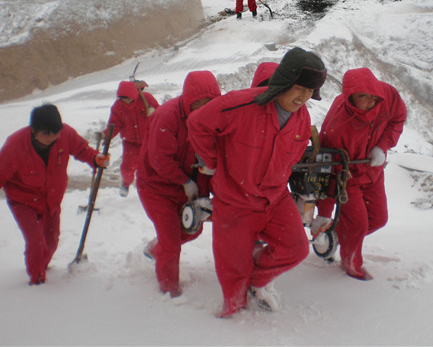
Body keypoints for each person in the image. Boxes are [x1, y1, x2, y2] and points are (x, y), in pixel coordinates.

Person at [187, 47, 327, 317]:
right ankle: (233, 314)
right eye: (300, 88)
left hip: (275, 199)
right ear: (284, 83)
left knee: (295, 249)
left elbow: (294, 156)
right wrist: (213, 161)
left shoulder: (302, 118)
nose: (304, 97)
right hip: (235, 201)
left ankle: (257, 281)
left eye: (310, 92)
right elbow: (198, 124)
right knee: (232, 273)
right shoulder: (240, 104)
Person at [0, 104, 108, 285]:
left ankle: (41, 266)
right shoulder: (15, 146)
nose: (51, 138)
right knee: (36, 243)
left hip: (51, 199)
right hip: (23, 201)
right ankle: (37, 283)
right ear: (34, 130)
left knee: (51, 240)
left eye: (55, 133)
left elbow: (81, 149)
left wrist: (95, 158)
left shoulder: (65, 134)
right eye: (46, 134)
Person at [315, 68, 407, 280]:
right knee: (358, 225)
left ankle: (337, 235)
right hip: (347, 179)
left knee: (379, 218)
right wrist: (324, 212)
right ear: (350, 98)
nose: (371, 101)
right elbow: (326, 168)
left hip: (373, 172)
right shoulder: (338, 126)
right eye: (363, 97)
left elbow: (398, 118)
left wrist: (382, 146)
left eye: (373, 95)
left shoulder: (388, 96)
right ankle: (351, 265)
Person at [136, 71, 221, 297]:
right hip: (156, 188)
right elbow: (158, 159)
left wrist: (202, 193)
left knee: (193, 229)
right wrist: (183, 181)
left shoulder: (211, 121)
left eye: (209, 102)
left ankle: (157, 248)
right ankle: (169, 289)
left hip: (185, 186)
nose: (203, 108)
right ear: (188, 99)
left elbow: (205, 161)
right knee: (172, 241)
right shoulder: (167, 116)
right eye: (198, 103)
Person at [105, 80, 159, 197]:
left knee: (151, 168)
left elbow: (160, 115)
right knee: (127, 168)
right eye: (123, 99)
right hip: (130, 143)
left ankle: (151, 191)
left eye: (129, 99)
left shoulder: (147, 99)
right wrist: (106, 136)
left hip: (148, 140)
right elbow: (114, 124)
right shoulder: (118, 106)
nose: (127, 102)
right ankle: (126, 183)